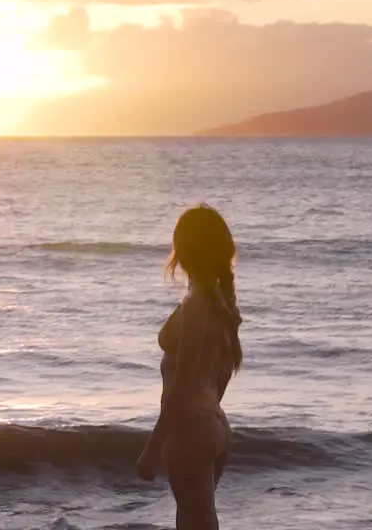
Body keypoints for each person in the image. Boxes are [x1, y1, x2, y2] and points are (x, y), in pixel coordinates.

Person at [137, 204, 243, 530]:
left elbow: (182, 383)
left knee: (195, 522)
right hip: (213, 423)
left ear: (185, 249)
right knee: (201, 520)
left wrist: (153, 448)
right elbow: (221, 376)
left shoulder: (198, 306)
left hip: (191, 427)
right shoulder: (217, 302)